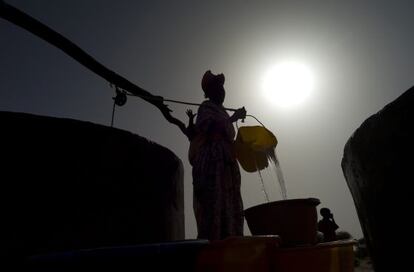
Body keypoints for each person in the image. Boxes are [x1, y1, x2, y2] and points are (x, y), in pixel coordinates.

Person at [189, 70, 246, 240]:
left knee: (230, 205)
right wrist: (233, 118)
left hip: (227, 163)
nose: (221, 91)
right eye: (217, 87)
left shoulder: (221, 111)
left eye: (222, 87)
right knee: (214, 204)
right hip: (213, 162)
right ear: (209, 92)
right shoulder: (205, 108)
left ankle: (231, 242)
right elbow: (208, 127)